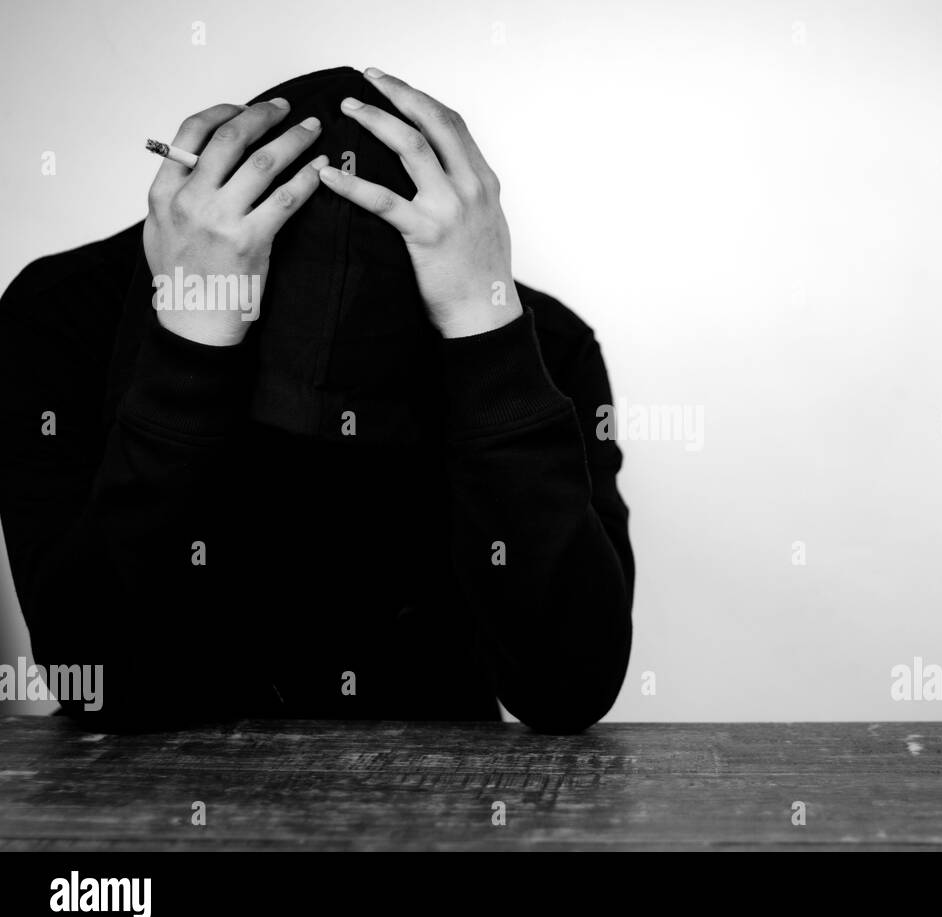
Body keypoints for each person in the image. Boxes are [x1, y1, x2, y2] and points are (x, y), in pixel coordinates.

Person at [0, 66, 634, 733]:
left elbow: (569, 686)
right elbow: (95, 679)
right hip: (136, 803)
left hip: (445, 805)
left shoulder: (538, 344)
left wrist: (486, 332)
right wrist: (191, 340)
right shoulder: (59, 317)